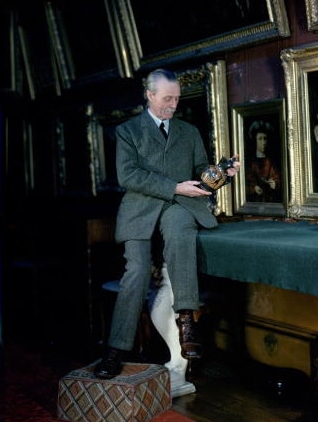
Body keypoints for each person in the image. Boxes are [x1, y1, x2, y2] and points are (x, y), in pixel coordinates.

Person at [94, 69, 239, 379]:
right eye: (167, 99)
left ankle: (186, 319)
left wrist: (221, 174)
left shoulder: (189, 131)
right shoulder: (128, 131)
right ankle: (115, 351)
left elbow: (202, 174)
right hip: (141, 210)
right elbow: (128, 176)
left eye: (177, 99)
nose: (174, 105)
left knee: (180, 232)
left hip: (180, 205)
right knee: (135, 272)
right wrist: (174, 186)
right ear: (149, 95)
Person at [246, 120, 281, 202]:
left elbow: (277, 178)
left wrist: (275, 184)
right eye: (260, 139)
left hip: (270, 201)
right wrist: (254, 188)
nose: (263, 142)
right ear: (255, 140)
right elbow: (245, 182)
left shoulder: (271, 162)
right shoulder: (250, 162)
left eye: (265, 139)